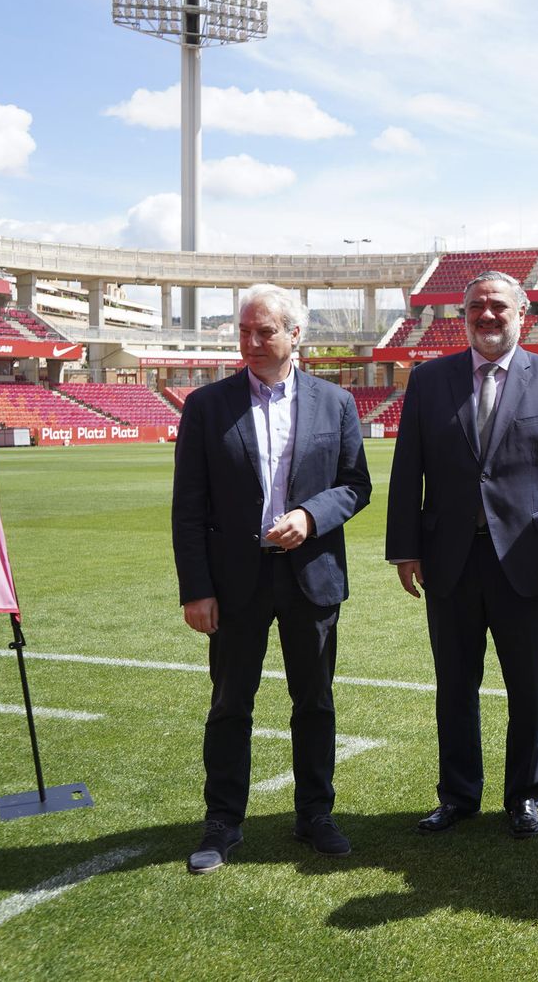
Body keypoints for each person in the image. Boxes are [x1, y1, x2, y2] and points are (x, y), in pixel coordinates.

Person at [386, 270, 538, 839]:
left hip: (527, 560)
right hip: (448, 559)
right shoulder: (430, 380)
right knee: (454, 683)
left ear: (522, 312)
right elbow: (409, 470)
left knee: (529, 684)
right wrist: (406, 549)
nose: (487, 315)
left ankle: (524, 796)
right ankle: (458, 794)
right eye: (475, 306)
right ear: (464, 316)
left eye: (498, 306)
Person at [171, 283, 371, 874]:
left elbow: (356, 486)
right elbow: (189, 506)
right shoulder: (207, 407)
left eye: (265, 332)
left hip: (311, 577)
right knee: (231, 703)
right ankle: (223, 821)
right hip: (234, 583)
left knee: (314, 702)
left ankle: (316, 814)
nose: (252, 343)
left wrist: (311, 516)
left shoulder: (335, 403)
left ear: (294, 335)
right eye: (244, 332)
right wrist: (196, 589)